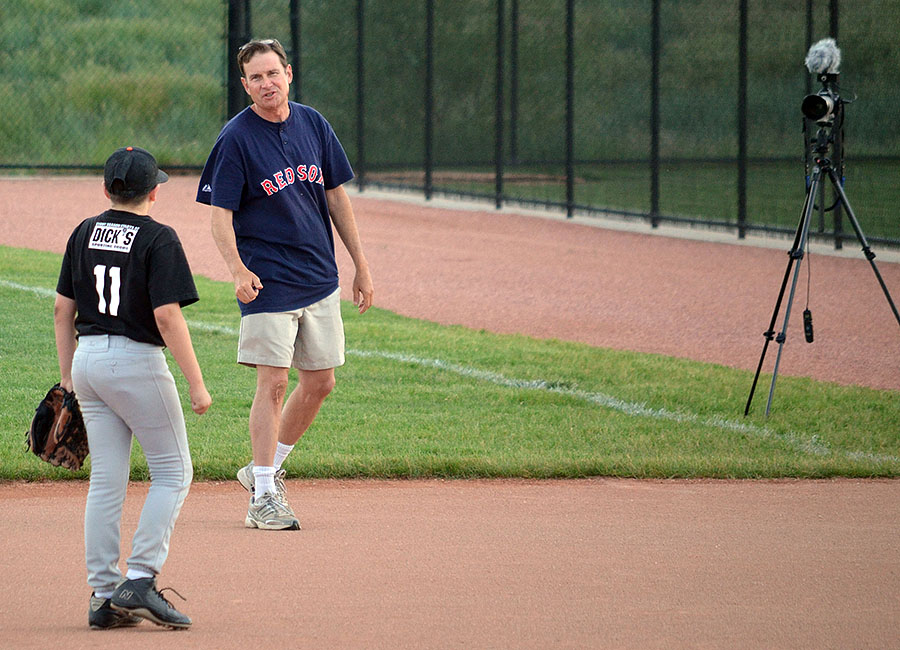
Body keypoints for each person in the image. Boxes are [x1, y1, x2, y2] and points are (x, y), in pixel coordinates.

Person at [196, 38, 373, 531]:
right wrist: (237, 270)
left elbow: (337, 198)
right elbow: (220, 218)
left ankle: (262, 472)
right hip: (267, 280)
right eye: (256, 77)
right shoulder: (235, 138)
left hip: (320, 276)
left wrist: (361, 264)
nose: (266, 83)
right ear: (245, 84)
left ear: (289, 74)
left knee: (320, 382)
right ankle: (264, 497)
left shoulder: (313, 123)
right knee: (272, 385)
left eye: (273, 73)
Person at [55, 146, 211, 630]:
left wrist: (67, 376)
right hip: (135, 362)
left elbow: (63, 310)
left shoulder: (84, 231)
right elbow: (167, 316)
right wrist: (197, 383)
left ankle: (103, 596)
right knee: (173, 471)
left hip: (87, 361)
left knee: (106, 482)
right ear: (155, 192)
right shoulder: (159, 238)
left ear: (106, 189)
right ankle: (139, 579)